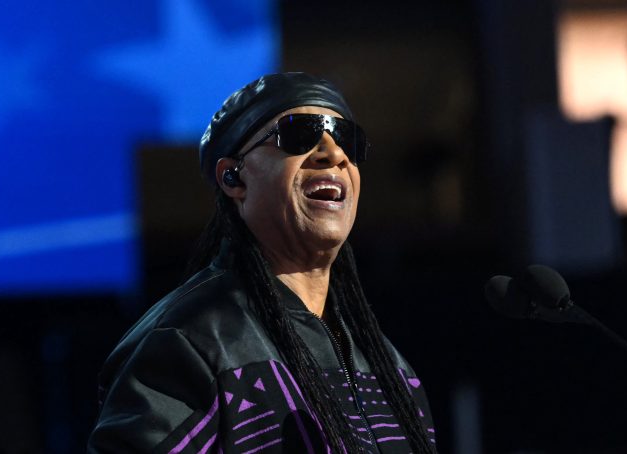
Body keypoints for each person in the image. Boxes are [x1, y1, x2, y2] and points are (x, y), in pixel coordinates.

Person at [87, 72, 437, 453]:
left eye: (346, 140)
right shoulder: (188, 342)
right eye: (299, 134)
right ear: (234, 178)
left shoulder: (390, 368)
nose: (333, 153)